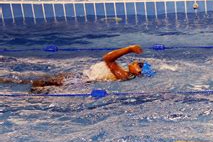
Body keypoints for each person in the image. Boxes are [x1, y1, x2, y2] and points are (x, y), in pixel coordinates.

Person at [0, 45, 155, 92]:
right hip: (78, 78)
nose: (136, 62)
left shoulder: (123, 75)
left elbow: (107, 58)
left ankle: (6, 83)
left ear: (139, 72)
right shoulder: (124, 74)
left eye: (139, 65)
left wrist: (129, 49)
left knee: (35, 83)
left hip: (78, 81)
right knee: (37, 83)